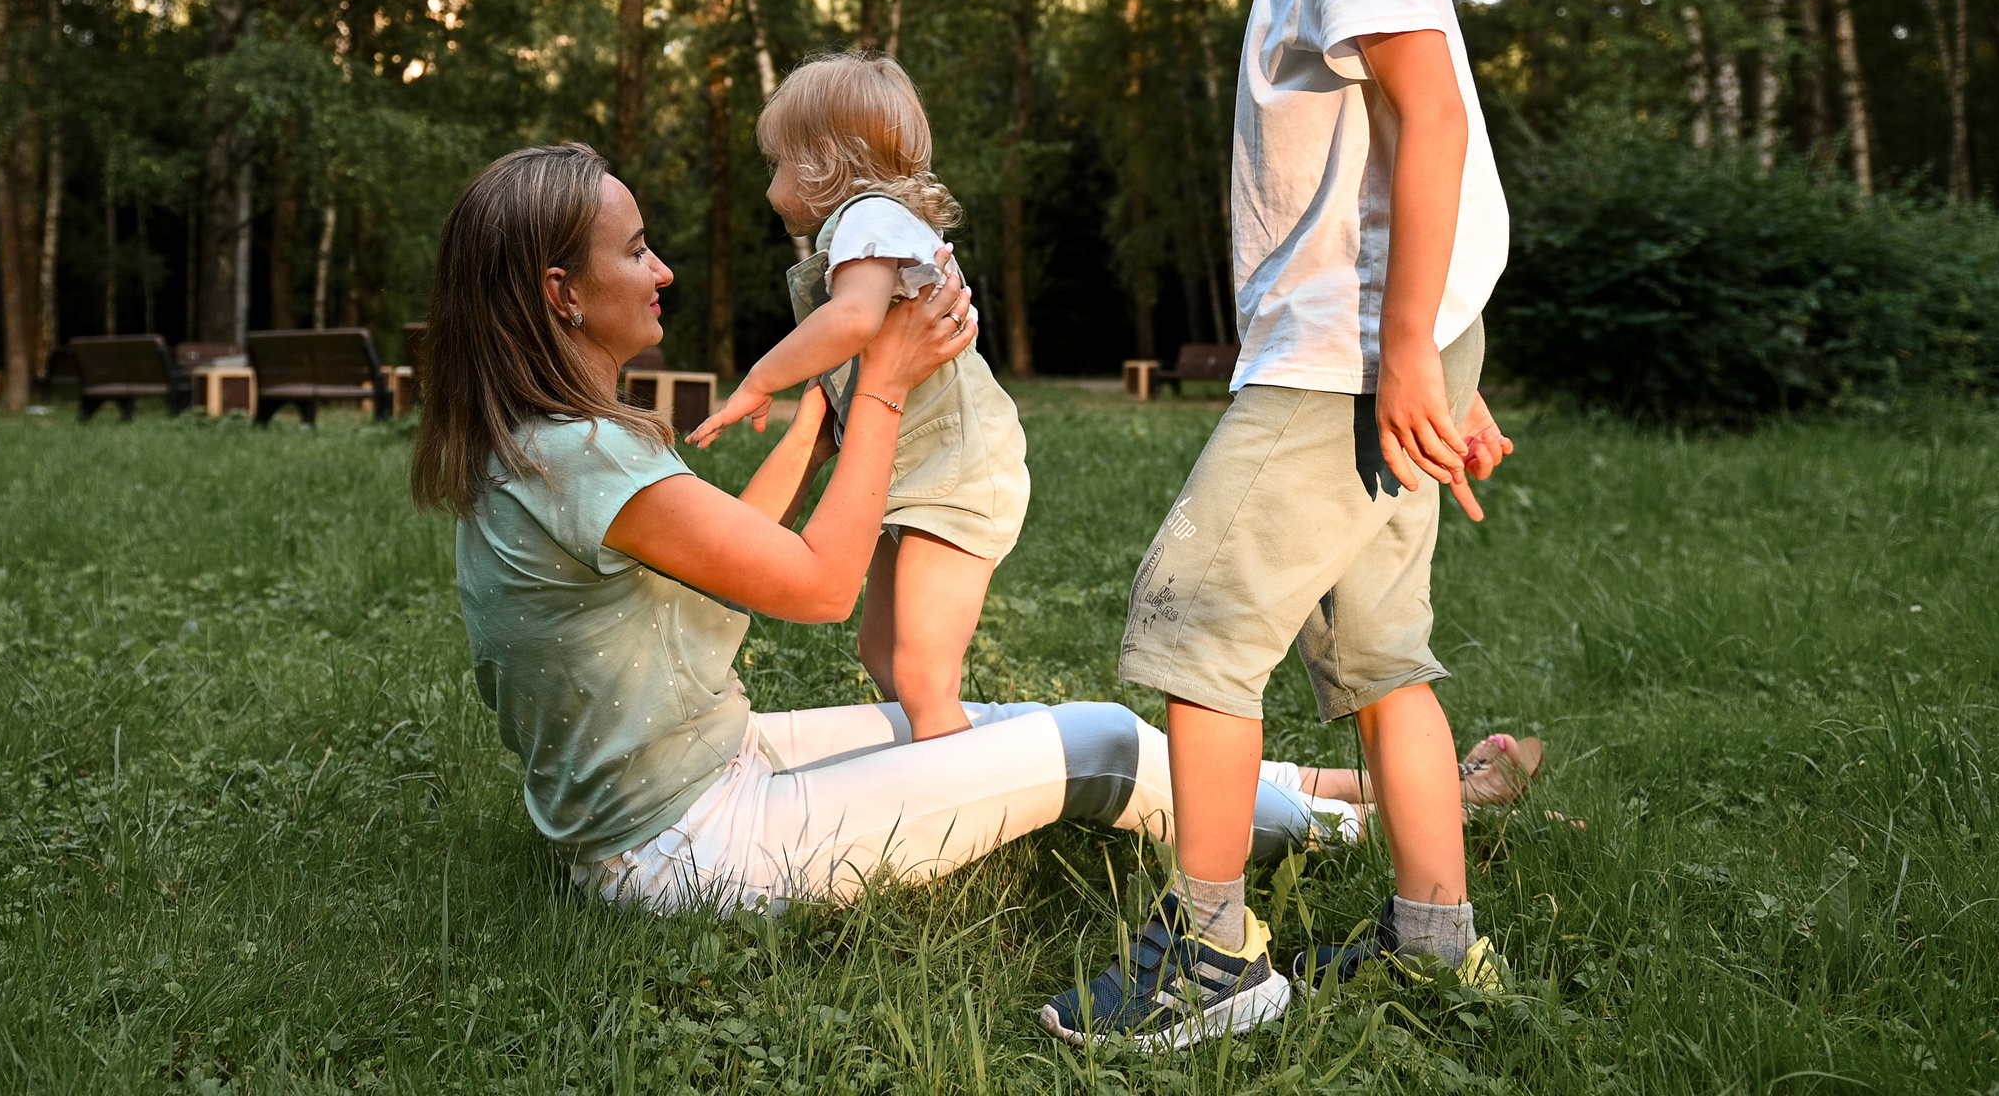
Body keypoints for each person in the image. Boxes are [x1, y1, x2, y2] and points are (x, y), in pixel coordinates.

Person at [412, 142, 1365, 917]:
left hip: (696, 781)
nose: (660, 268)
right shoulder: (577, 455)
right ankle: (1377, 827)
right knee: (1097, 744)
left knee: (1008, 724)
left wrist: (819, 417)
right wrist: (884, 387)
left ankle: (1332, 786)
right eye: (633, 251)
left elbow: (726, 554)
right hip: (688, 843)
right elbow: (823, 588)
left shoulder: (548, 448)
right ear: (560, 292)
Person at [1042, 0, 1517, 1049]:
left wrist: (1413, 359)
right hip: (1375, 352)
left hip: (1337, 362)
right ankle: (1436, 943)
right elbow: (1411, 159)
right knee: (1383, 663)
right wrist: (1442, 351)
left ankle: (1210, 958)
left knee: (1197, 622)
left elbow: (1435, 128)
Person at [687, 52, 1028, 743]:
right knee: (881, 654)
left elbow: (852, 320)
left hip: (956, 471)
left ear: (821, 161)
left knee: (925, 672)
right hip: (913, 471)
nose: (772, 181)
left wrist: (758, 381)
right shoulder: (875, 226)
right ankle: (935, 759)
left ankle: (964, 818)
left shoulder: (865, 219)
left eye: (776, 162)